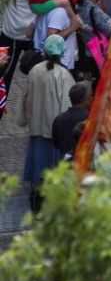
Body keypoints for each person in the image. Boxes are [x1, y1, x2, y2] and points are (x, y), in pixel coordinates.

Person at [22, 35, 76, 212]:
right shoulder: (64, 75)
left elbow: (26, 98)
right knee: (53, 167)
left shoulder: (35, 70)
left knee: (38, 165)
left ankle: (36, 197)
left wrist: (24, 120)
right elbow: (68, 107)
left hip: (37, 128)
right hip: (54, 132)